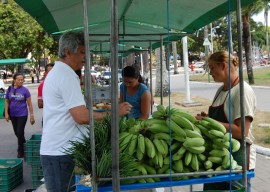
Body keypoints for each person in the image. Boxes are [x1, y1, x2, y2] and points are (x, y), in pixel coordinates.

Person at [40, 31, 132, 192]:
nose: (85, 57)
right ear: (68, 52)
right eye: (82, 52)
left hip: (61, 152)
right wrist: (115, 114)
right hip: (60, 153)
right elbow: (81, 117)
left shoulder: (61, 73)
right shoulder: (65, 75)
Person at [196, 51, 256, 191]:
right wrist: (207, 119)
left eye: (212, 67)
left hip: (237, 157)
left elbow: (242, 132)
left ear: (223, 66)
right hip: (219, 153)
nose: (210, 72)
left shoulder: (242, 91)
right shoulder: (221, 90)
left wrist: (209, 122)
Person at [4, 73, 35, 158]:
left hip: (23, 114)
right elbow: (6, 102)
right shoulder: (10, 89)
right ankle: (26, 147)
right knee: (17, 133)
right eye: (19, 79)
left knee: (20, 132)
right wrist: (6, 113)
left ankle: (20, 151)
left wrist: (32, 115)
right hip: (13, 115)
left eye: (22, 79)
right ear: (14, 80)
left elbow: (29, 104)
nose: (21, 81)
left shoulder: (25, 90)